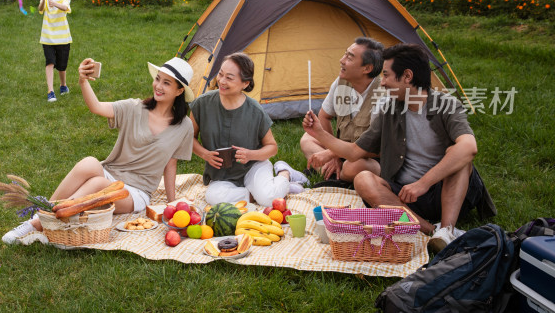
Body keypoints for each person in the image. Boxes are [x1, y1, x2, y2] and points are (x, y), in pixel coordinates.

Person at [302, 43, 495, 251]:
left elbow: (469, 147)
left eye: (386, 76)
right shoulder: (390, 109)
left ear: (407, 76)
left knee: (458, 156)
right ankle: (432, 230)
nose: (382, 83)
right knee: (362, 179)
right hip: (404, 198)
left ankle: (447, 228)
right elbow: (355, 151)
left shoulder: (445, 104)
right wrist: (320, 134)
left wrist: (422, 183)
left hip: (444, 193)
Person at [3, 56, 195, 244]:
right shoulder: (135, 108)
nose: (158, 86)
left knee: (97, 183)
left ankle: (38, 224)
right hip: (111, 173)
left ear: (179, 91)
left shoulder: (184, 126)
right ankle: (40, 215)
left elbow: (171, 163)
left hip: (136, 192)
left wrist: (172, 203)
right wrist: (83, 81)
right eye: (157, 79)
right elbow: (96, 107)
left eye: (167, 83)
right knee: (89, 162)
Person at [190, 52, 304, 207]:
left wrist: (250, 155)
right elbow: (189, 138)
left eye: (229, 78)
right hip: (222, 175)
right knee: (213, 197)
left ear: (245, 83)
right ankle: (265, 191)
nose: (222, 81)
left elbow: (272, 147)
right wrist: (205, 154)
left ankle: (285, 174)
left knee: (269, 200)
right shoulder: (202, 104)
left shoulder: (255, 111)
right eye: (221, 74)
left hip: (253, 166)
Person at [300, 37, 384, 182]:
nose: (341, 60)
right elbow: (324, 116)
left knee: (354, 167)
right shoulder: (341, 83)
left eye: (349, 58)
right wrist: (333, 152)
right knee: (306, 139)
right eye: (345, 54)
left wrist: (333, 154)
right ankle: (335, 174)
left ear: (367, 68)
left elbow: (379, 149)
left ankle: (331, 175)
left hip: (367, 158)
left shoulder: (383, 96)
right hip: (341, 151)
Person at [38, 0, 72, 102]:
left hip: (63, 37)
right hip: (47, 37)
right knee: (50, 62)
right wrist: (43, 1)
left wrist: (55, 3)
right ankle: (50, 91)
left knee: (62, 66)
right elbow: (40, 9)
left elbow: (65, 8)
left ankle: (63, 85)